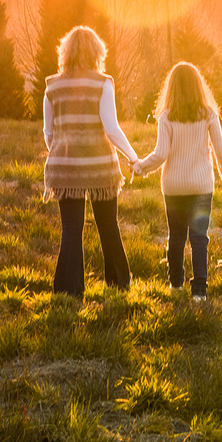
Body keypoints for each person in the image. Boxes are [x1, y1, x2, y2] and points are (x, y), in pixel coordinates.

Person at [43, 25, 140, 297]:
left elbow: (48, 134)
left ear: (66, 53)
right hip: (100, 167)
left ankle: (68, 293)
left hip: (64, 169)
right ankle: (119, 285)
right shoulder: (102, 83)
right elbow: (111, 129)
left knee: (70, 230)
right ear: (97, 52)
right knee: (108, 225)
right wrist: (133, 157)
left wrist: (64, 152)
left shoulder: (52, 86)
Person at [133, 62, 222, 300]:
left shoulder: (166, 117)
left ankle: (175, 284)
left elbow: (160, 154)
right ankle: (200, 291)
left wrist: (140, 167)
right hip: (201, 187)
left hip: (174, 187)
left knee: (176, 236)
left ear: (172, 88)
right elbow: (220, 150)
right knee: (199, 238)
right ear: (198, 86)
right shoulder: (209, 114)